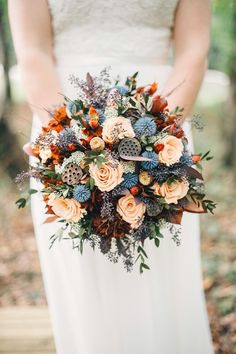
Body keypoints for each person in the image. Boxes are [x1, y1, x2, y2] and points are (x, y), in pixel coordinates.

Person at [9, 1, 214, 353]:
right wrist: (67, 140)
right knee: (84, 278)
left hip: (164, 120)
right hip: (63, 122)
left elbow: (193, 50)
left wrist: (160, 136)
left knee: (161, 277)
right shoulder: (65, 136)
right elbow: (33, 51)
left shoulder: (162, 134)